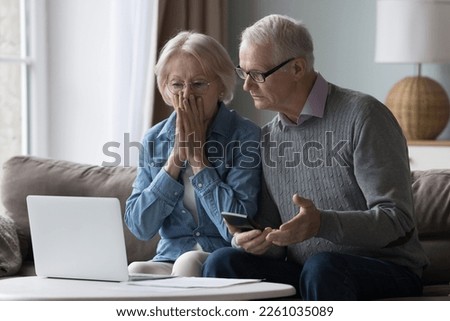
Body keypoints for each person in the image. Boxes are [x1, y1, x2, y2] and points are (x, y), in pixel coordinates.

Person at [202, 14, 429, 300]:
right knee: (221, 262)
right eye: (243, 72)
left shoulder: (363, 116)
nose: (247, 86)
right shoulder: (269, 139)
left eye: (257, 74)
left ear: (297, 67)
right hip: (311, 271)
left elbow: (396, 220)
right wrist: (257, 240)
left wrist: (323, 223)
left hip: (386, 268)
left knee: (322, 267)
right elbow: (278, 240)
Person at [125, 31, 261, 277]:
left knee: (187, 264)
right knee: (136, 270)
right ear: (166, 89)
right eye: (177, 84)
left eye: (198, 83)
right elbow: (140, 227)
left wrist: (198, 159)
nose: (187, 95)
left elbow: (237, 227)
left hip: (220, 254)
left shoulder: (245, 136)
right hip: (170, 254)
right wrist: (176, 158)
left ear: (220, 86)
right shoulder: (154, 139)